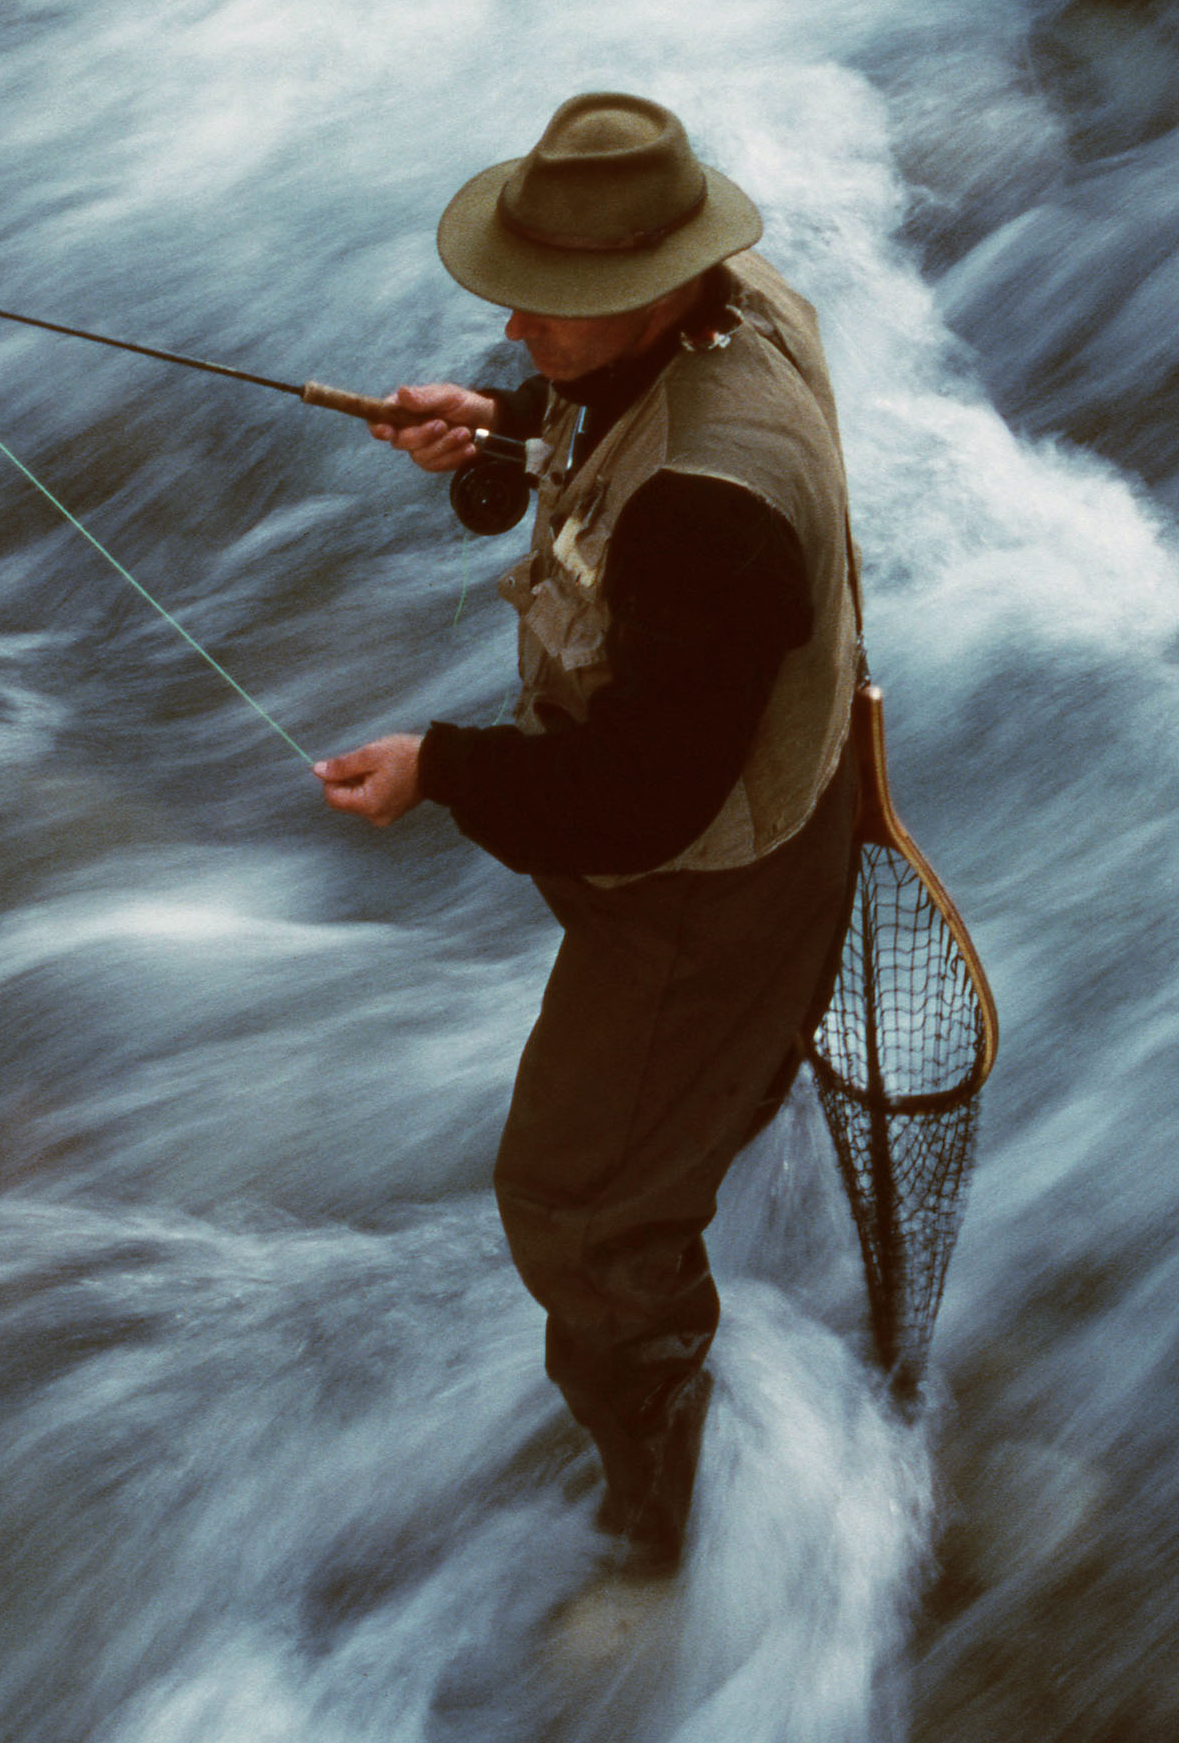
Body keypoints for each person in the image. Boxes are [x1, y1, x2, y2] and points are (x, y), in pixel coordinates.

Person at [314, 91, 862, 1575]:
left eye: (551, 305)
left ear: (659, 283)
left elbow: (643, 802)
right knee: (651, 1134)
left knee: (569, 1204)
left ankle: (665, 1507)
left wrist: (441, 767)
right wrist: (502, 419)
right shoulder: (743, 302)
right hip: (785, 791)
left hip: (710, 888)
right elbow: (610, 413)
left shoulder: (708, 513)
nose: (512, 312)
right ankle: (714, 1132)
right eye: (521, 285)